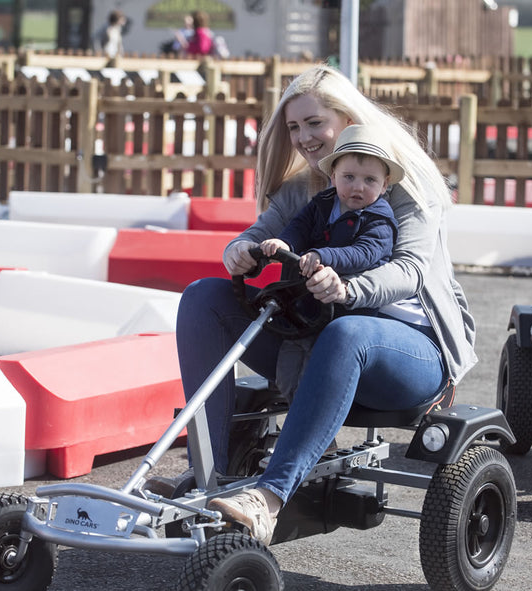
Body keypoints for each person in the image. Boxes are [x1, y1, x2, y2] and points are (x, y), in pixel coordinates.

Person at [175, 64, 476, 545]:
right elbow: (263, 230)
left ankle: (269, 498)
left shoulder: (401, 188)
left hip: (410, 352)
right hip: (317, 341)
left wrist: (351, 291)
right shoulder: (304, 190)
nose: (303, 138)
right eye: (294, 127)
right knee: (202, 297)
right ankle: (206, 476)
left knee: (348, 331)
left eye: (314, 123)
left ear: (348, 119)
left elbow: (409, 271)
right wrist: (241, 249)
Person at [259, 123, 403, 399]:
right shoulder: (323, 203)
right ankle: (297, 416)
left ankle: (314, 419)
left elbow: (365, 253)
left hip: (346, 314)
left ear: (385, 185)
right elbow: (299, 227)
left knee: (320, 373)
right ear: (333, 175)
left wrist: (323, 255)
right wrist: (285, 243)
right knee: (287, 371)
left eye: (370, 180)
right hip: (304, 308)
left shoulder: (380, 220)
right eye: (348, 177)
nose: (357, 187)